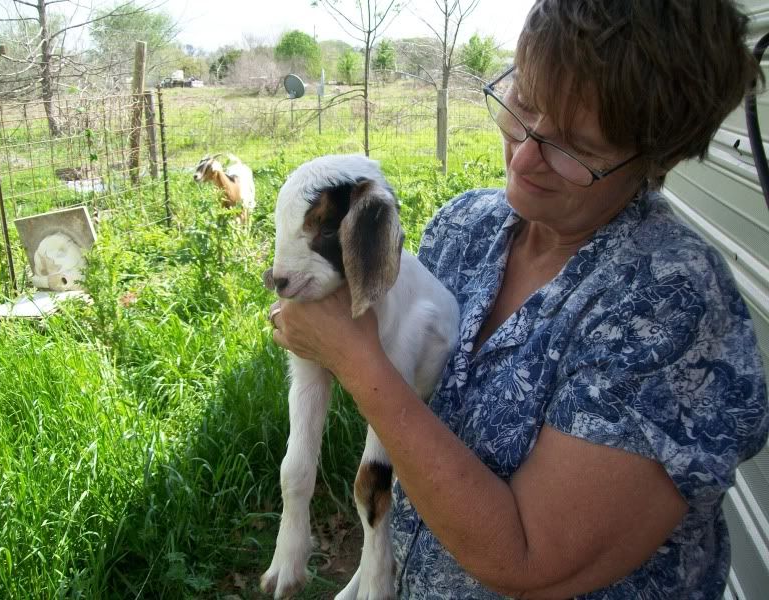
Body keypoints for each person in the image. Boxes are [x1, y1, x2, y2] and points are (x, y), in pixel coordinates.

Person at [270, 1, 769, 597]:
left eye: (578, 146)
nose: (526, 158)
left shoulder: (671, 305)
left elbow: (526, 557)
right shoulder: (467, 228)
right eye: (525, 103)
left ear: (655, 157)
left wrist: (355, 360)